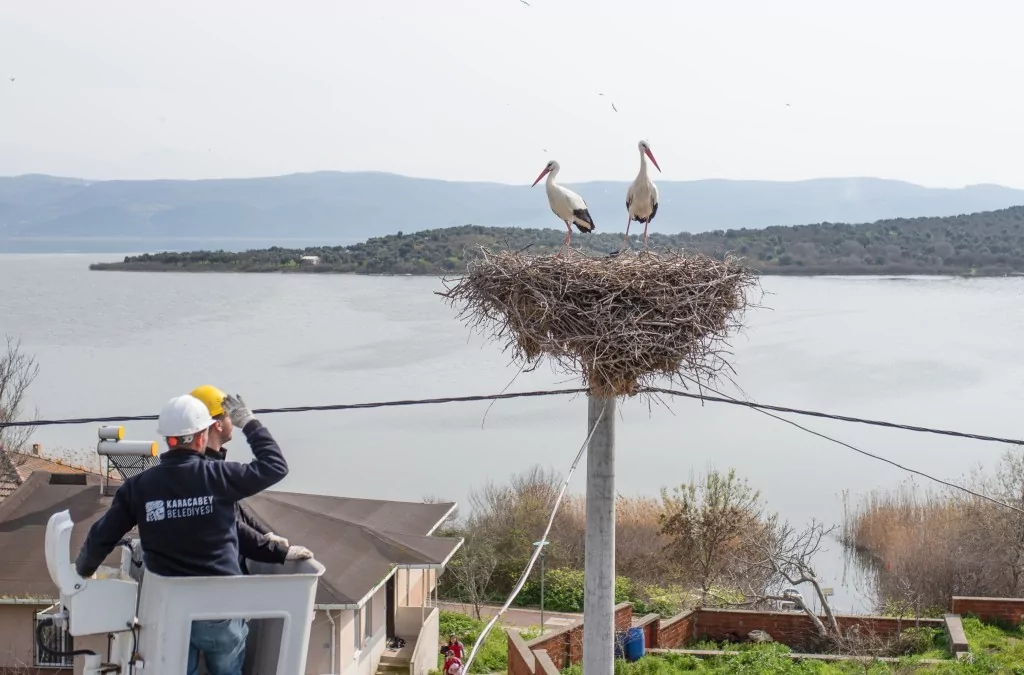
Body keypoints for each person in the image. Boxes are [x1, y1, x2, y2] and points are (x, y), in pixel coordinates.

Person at [74, 392, 289, 675]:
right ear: (201, 438)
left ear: (168, 440)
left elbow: (102, 536)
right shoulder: (219, 477)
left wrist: (84, 570)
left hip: (170, 609)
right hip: (220, 611)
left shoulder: (139, 488)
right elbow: (275, 467)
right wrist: (248, 422)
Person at [190, 384, 311, 571]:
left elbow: (233, 511)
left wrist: (265, 534)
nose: (233, 422)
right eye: (229, 416)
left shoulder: (202, 468)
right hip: (216, 581)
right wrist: (249, 423)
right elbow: (275, 466)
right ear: (218, 425)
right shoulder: (208, 472)